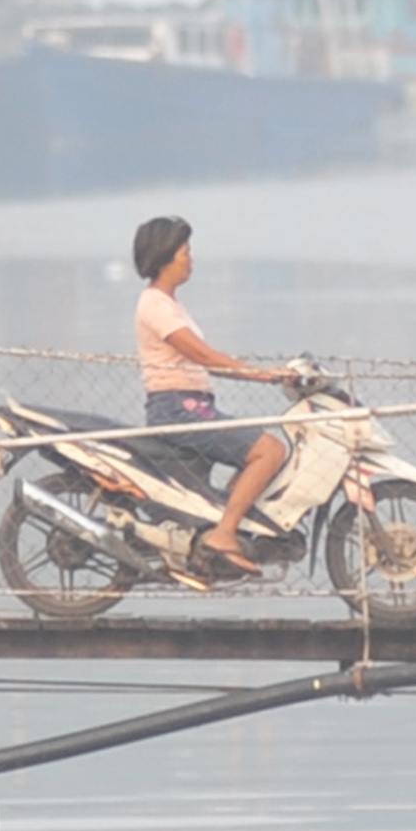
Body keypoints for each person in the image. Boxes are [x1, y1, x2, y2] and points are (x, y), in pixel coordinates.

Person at [132, 213, 291, 583]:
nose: (190, 259)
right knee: (270, 450)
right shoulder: (154, 304)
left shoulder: (170, 304)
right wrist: (265, 375)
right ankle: (224, 533)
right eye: (185, 252)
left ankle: (218, 528)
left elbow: (205, 358)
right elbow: (203, 356)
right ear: (165, 256)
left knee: (260, 453)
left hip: (194, 405)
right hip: (177, 409)